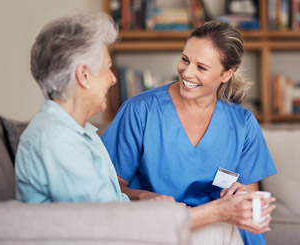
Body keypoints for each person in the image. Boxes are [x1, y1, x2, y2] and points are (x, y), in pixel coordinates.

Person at [101, 20, 277, 245]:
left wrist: (241, 197)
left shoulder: (243, 124)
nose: (187, 72)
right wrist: (144, 196)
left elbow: (247, 199)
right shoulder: (140, 110)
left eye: (201, 67)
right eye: (185, 60)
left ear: (226, 74)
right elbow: (108, 187)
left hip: (221, 229)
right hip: (161, 228)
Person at [15, 12, 129, 203]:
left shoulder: (81, 132)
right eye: (108, 67)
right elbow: (107, 219)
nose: (113, 79)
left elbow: (114, 204)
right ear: (84, 75)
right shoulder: (56, 140)